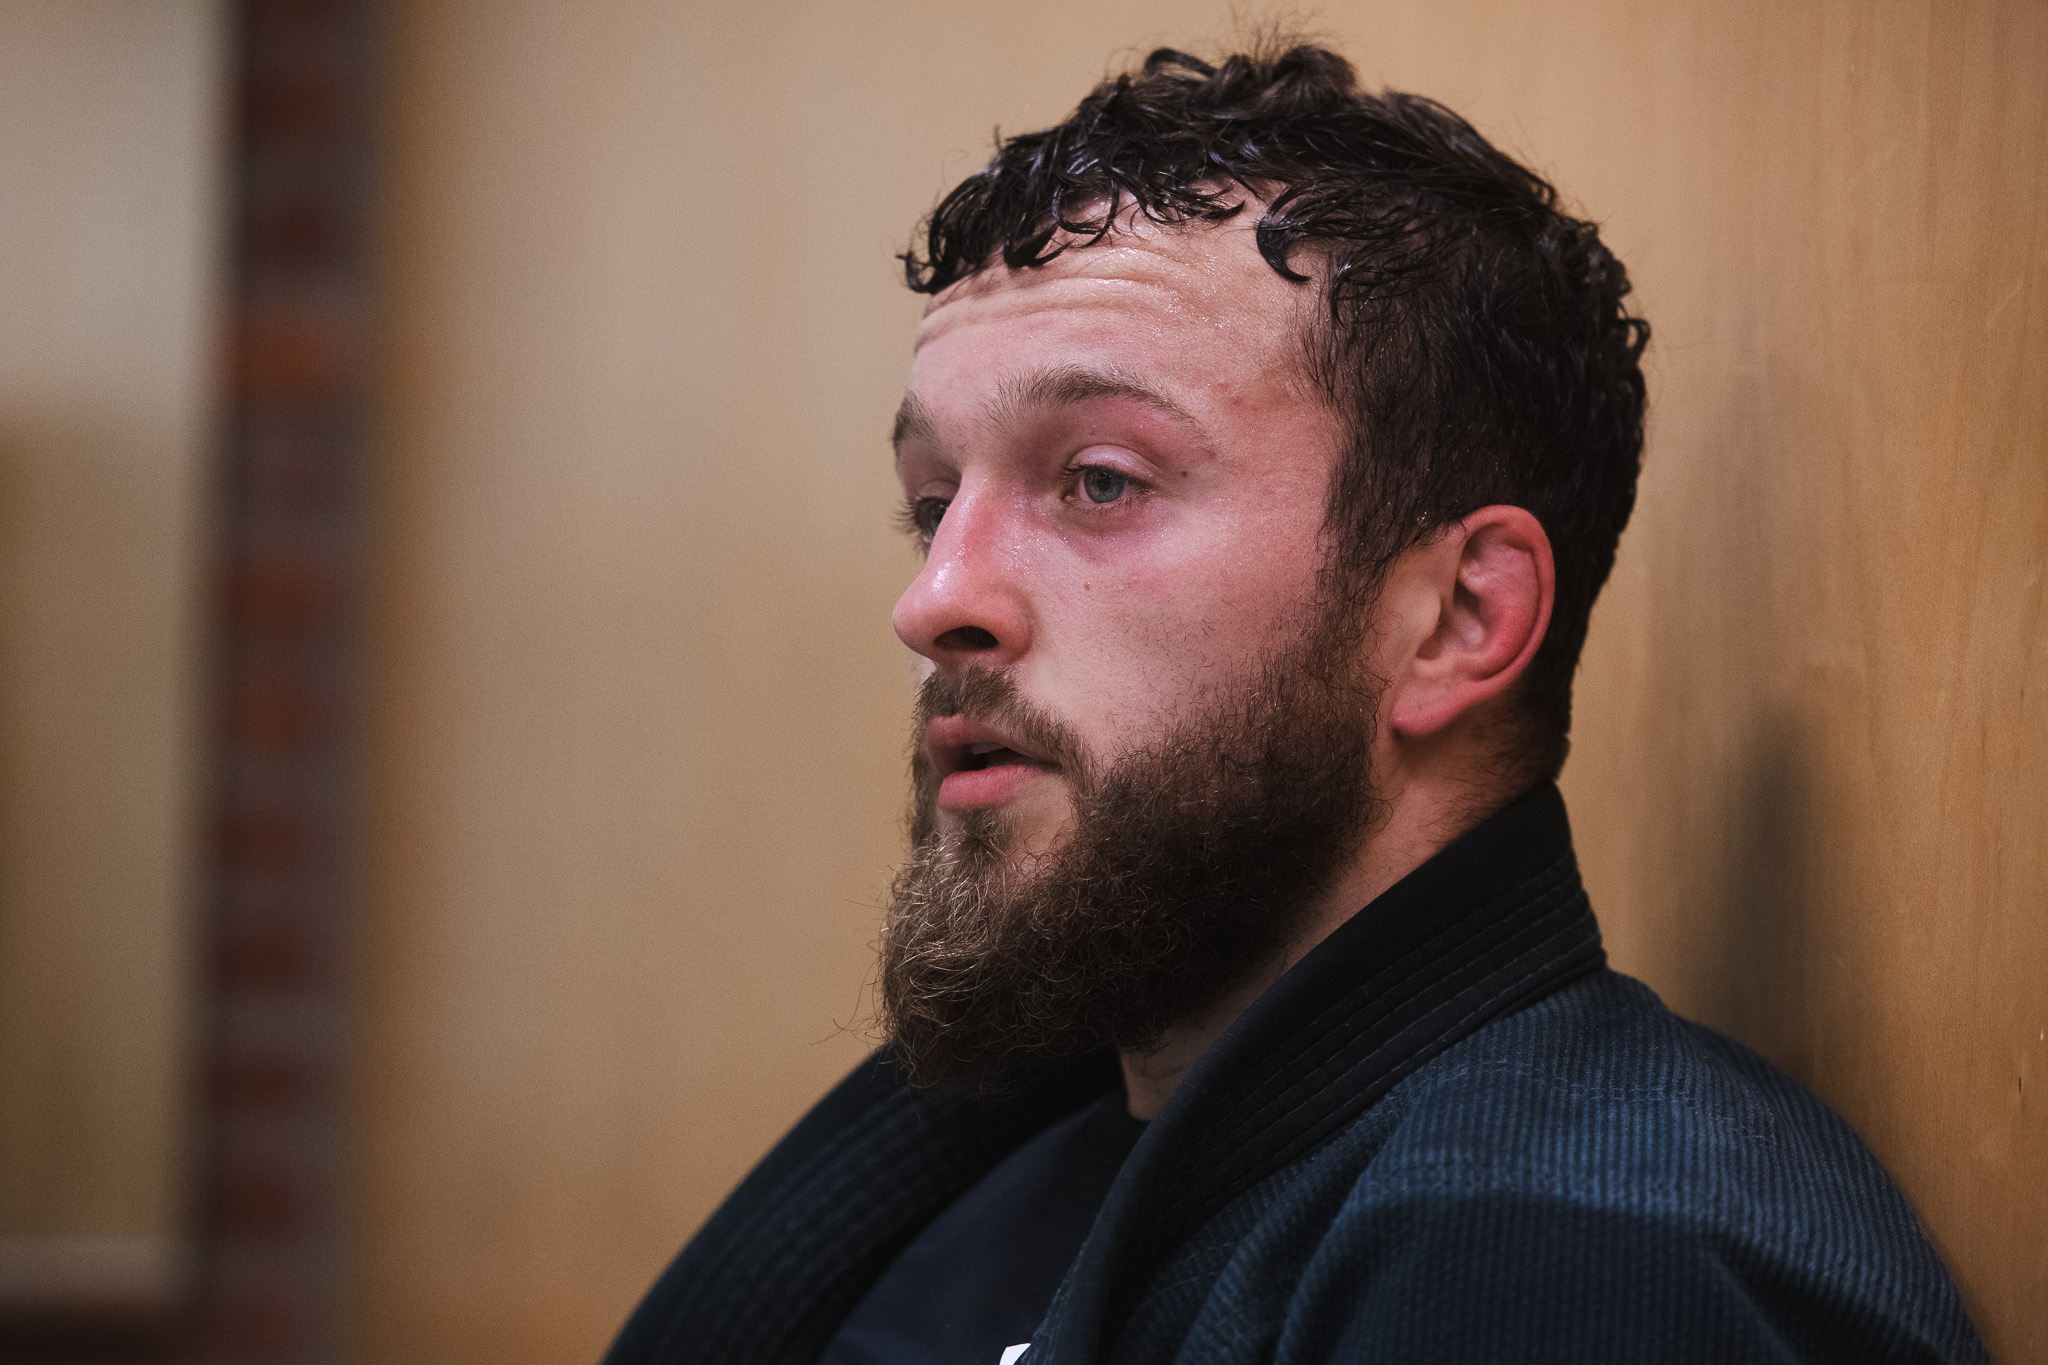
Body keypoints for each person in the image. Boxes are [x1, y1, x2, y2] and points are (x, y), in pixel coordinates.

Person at [607, 42, 1986, 1365]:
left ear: (1458, 618)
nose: (935, 601)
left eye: (1099, 480)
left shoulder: (1572, 1264)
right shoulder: (1036, 1134)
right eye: (931, 504)